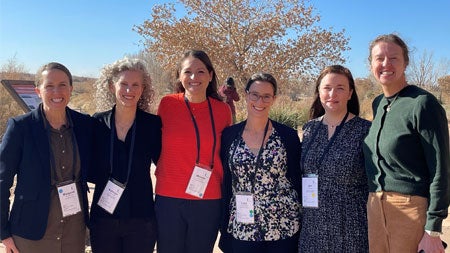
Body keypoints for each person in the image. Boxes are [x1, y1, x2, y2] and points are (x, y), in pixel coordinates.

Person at [363, 34, 450, 253]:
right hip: (375, 207)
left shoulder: (422, 104)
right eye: (379, 58)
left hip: (410, 208)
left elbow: (441, 168)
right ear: (370, 63)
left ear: (406, 62)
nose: (386, 64)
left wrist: (433, 228)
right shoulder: (378, 103)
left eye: (393, 58)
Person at [0, 62, 93, 253]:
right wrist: (3, 232)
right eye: (49, 86)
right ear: (38, 91)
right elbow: (2, 180)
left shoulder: (85, 125)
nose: (56, 92)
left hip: (74, 233)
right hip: (30, 234)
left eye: (62, 85)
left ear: (71, 89)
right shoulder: (21, 128)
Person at [155, 49, 232, 253]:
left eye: (200, 72)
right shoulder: (167, 104)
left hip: (208, 200)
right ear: (180, 76)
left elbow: (225, 154)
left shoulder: (223, 111)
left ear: (210, 75)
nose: (193, 78)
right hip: (169, 197)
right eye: (187, 72)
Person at [219, 73, 301, 253]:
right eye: (255, 94)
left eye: (266, 96)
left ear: (274, 99)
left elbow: (296, 176)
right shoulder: (229, 136)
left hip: (282, 224)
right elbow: (226, 182)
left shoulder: (287, 136)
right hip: (243, 225)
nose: (260, 101)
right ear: (247, 95)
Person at [88, 57, 161, 253]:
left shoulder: (152, 125)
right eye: (124, 84)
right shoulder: (97, 123)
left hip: (141, 218)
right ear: (112, 86)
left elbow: (165, 164)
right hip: (103, 217)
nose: (129, 90)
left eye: (135, 84)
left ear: (143, 89)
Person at [299, 65, 371, 252]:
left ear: (350, 93)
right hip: (312, 227)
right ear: (319, 92)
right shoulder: (309, 129)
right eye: (327, 88)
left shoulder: (365, 130)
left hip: (350, 228)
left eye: (340, 88)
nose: (333, 93)